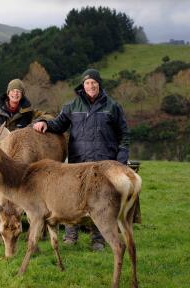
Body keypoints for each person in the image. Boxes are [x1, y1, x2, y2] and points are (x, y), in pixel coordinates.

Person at [33, 68, 130, 251]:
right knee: (72, 198)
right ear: (82, 86)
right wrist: (44, 123)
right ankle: (71, 235)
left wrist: (121, 159)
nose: (91, 86)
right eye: (87, 83)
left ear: (99, 84)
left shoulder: (113, 106)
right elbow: (59, 124)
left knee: (101, 202)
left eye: (94, 82)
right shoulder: (72, 106)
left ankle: (98, 239)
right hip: (78, 164)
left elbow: (124, 134)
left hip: (104, 164)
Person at [0, 78, 52, 240]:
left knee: (12, 196)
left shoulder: (27, 111)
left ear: (22, 95)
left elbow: (48, 115)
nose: (16, 93)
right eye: (13, 91)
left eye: (19, 91)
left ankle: (11, 226)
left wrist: (40, 121)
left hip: (14, 161)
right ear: (8, 93)